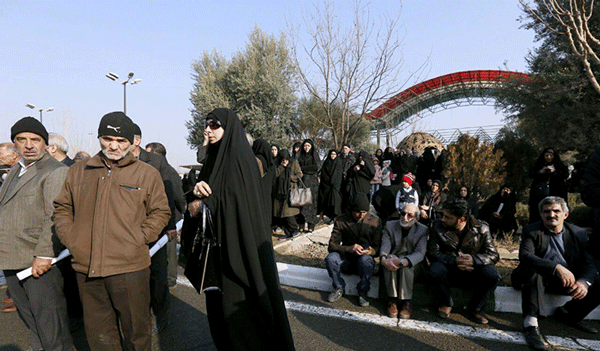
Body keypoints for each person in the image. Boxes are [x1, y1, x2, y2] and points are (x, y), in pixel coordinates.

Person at [53, 112, 171, 350]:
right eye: (107, 138)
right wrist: (73, 239)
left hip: (130, 268)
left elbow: (161, 212)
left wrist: (138, 239)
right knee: (99, 337)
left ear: (131, 142)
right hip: (86, 268)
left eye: (121, 141)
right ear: (99, 137)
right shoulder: (78, 171)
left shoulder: (147, 174)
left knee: (137, 334)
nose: (114, 145)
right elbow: (62, 207)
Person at [184, 108, 294, 350]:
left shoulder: (239, 161)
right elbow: (207, 195)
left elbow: (235, 205)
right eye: (207, 124)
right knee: (220, 316)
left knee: (242, 319)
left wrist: (203, 204)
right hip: (217, 251)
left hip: (238, 251)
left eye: (215, 125)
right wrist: (195, 193)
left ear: (229, 128)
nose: (208, 129)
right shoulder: (214, 159)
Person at [0, 117, 73, 350]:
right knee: (31, 320)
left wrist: (44, 254)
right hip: (12, 257)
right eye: (21, 140)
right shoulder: (16, 171)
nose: (28, 145)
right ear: (15, 144)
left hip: (38, 261)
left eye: (35, 139)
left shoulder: (55, 171)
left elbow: (54, 216)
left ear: (45, 143)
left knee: (50, 324)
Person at [512, 196, 600, 350]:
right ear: (541, 215)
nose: (551, 215)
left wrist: (584, 282)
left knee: (597, 281)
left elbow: (589, 262)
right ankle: (530, 324)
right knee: (534, 270)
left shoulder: (578, 233)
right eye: (546, 211)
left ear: (565, 214)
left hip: (564, 281)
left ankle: (568, 313)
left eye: (556, 211)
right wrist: (556, 267)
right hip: (536, 279)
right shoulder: (532, 230)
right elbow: (526, 257)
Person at [131, 123, 185, 334]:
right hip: (129, 228)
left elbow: (168, 193)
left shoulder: (156, 162)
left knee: (157, 275)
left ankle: (160, 316)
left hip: (155, 226)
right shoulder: (116, 162)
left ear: (136, 140)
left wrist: (170, 225)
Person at [427, 199, 501, 324]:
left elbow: (493, 255)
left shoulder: (482, 228)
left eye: (448, 217)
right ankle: (446, 303)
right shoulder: (437, 226)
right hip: (449, 270)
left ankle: (476, 308)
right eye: (443, 215)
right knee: (435, 270)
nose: (443, 219)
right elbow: (432, 253)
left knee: (492, 275)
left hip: (473, 271)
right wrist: (455, 261)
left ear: (461, 219)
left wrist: (474, 260)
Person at [325, 193, 382, 307]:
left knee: (366, 260)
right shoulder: (341, 220)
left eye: (364, 212)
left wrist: (371, 252)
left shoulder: (375, 221)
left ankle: (363, 290)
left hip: (363, 262)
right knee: (331, 259)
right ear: (351, 210)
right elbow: (332, 245)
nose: (360, 215)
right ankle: (338, 287)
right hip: (346, 260)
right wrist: (349, 248)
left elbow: (378, 248)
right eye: (357, 212)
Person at [145, 141, 186, 289]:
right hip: (156, 218)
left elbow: (178, 196)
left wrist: (180, 214)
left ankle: (170, 280)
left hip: (171, 217)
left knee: (169, 252)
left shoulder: (169, 172)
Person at [380, 204, 428, 319]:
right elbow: (385, 246)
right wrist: (383, 259)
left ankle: (407, 302)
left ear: (417, 218)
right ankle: (392, 300)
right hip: (395, 257)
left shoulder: (423, 230)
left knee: (406, 266)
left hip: (412, 263)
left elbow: (420, 253)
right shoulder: (390, 225)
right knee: (390, 261)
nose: (404, 217)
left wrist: (403, 261)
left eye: (409, 215)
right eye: (403, 213)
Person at [528, 147, 568, 224]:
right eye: (546, 155)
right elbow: (531, 174)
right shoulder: (538, 164)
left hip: (556, 192)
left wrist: (555, 171)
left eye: (551, 155)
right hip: (540, 193)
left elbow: (565, 174)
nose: (548, 157)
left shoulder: (559, 164)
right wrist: (540, 172)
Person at [273, 149, 302, 240]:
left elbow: (299, 174)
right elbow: (275, 175)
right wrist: (282, 166)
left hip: (290, 191)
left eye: (286, 158)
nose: (285, 160)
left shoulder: (294, 162)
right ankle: (288, 233)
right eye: (283, 159)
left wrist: (290, 175)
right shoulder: (277, 163)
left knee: (288, 213)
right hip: (279, 192)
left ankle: (294, 230)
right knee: (281, 213)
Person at [298, 139, 321, 232]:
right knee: (301, 203)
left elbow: (316, 167)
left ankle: (311, 226)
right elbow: (296, 167)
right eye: (305, 146)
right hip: (302, 182)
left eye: (308, 146)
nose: (306, 148)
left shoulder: (314, 156)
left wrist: (303, 169)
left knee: (312, 204)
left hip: (312, 183)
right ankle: (301, 225)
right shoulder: (300, 156)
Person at [318, 149, 343, 221]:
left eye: (334, 154)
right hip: (326, 185)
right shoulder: (326, 162)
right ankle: (325, 216)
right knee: (325, 201)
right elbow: (323, 172)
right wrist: (327, 180)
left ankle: (335, 216)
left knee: (335, 201)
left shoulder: (338, 162)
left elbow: (338, 174)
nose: (333, 156)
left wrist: (333, 182)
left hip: (335, 186)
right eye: (332, 154)